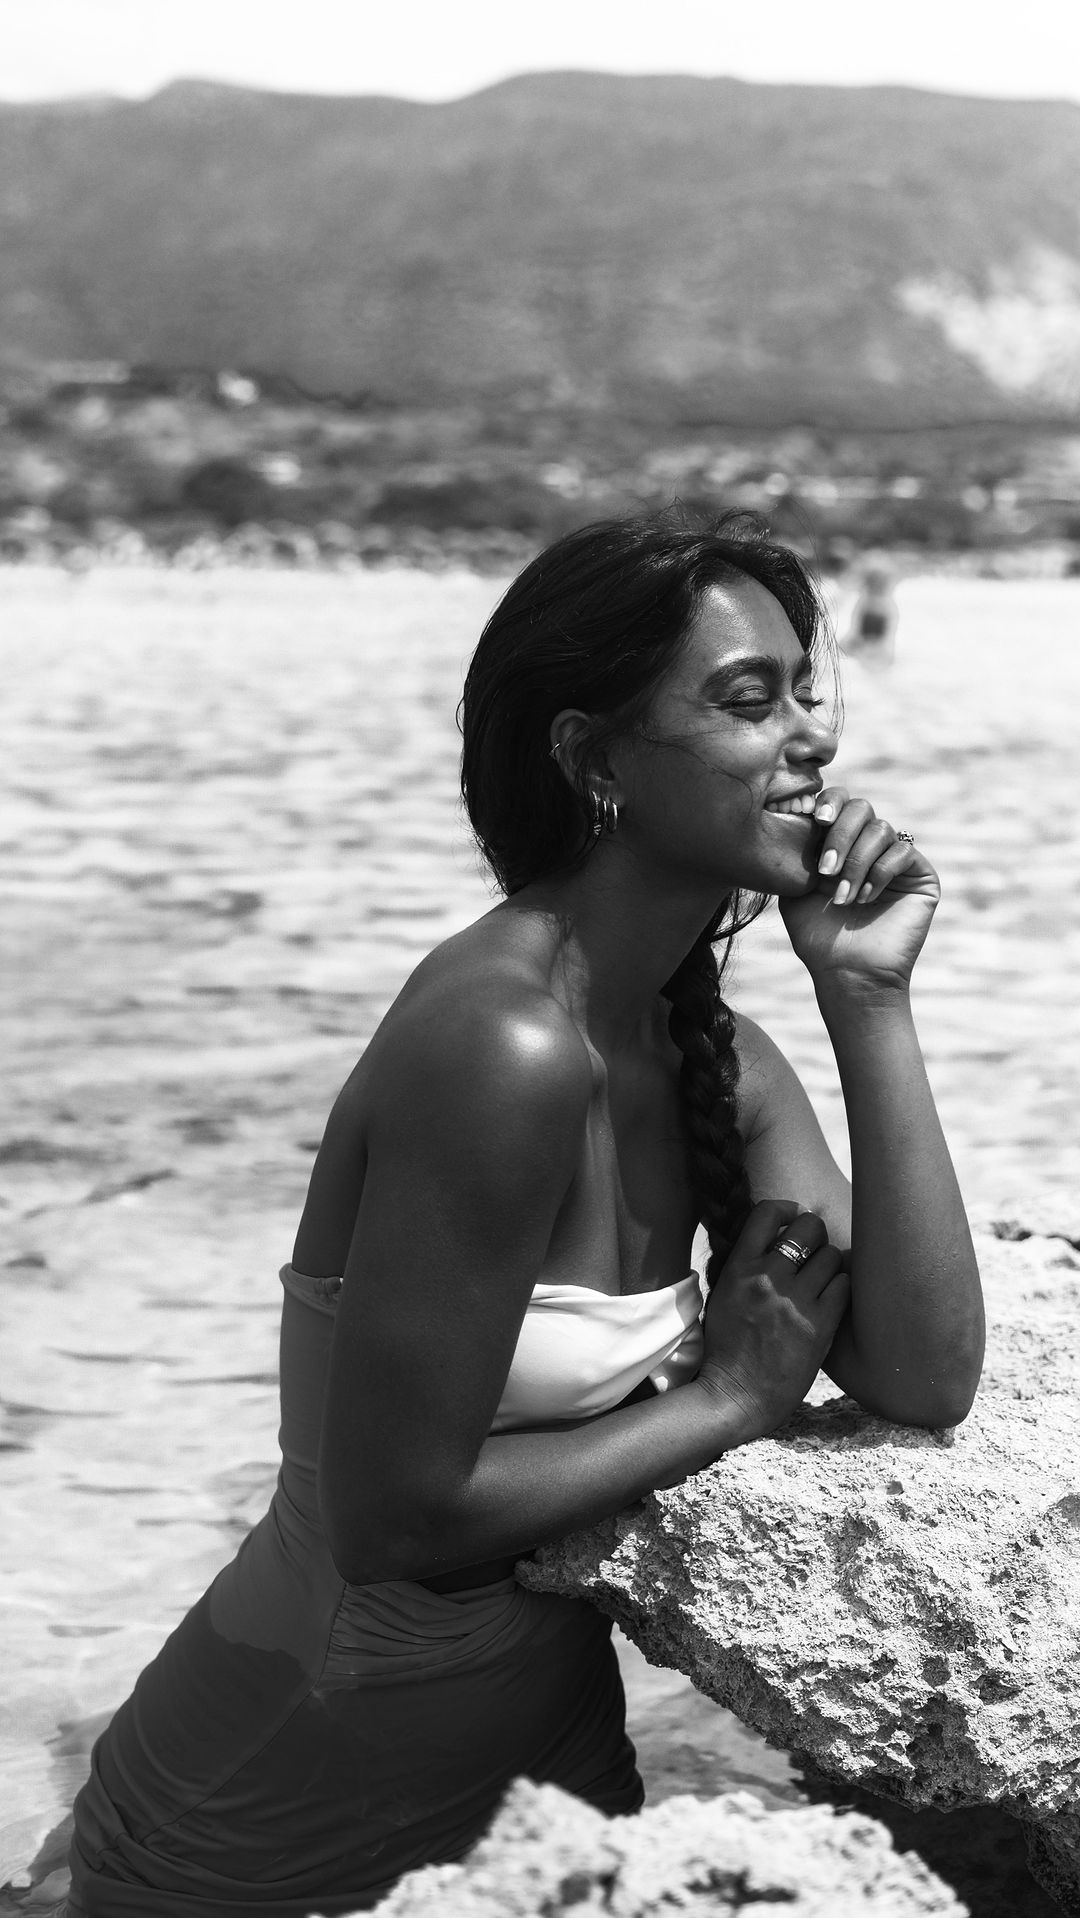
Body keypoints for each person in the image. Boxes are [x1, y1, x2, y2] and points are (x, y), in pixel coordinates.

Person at [65, 514, 984, 1917]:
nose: (814, 738)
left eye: (807, 691)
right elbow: (395, 1518)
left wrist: (867, 996)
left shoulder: (712, 1057)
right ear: (593, 759)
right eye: (750, 699)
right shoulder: (501, 1045)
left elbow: (926, 1373)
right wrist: (732, 1398)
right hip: (271, 1812)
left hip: (547, 1779)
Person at [842, 562, 898, 667]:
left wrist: (884, 647)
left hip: (878, 644)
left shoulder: (888, 604)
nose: (876, 586)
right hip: (862, 641)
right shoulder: (864, 600)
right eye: (874, 582)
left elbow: (890, 631)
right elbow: (855, 625)